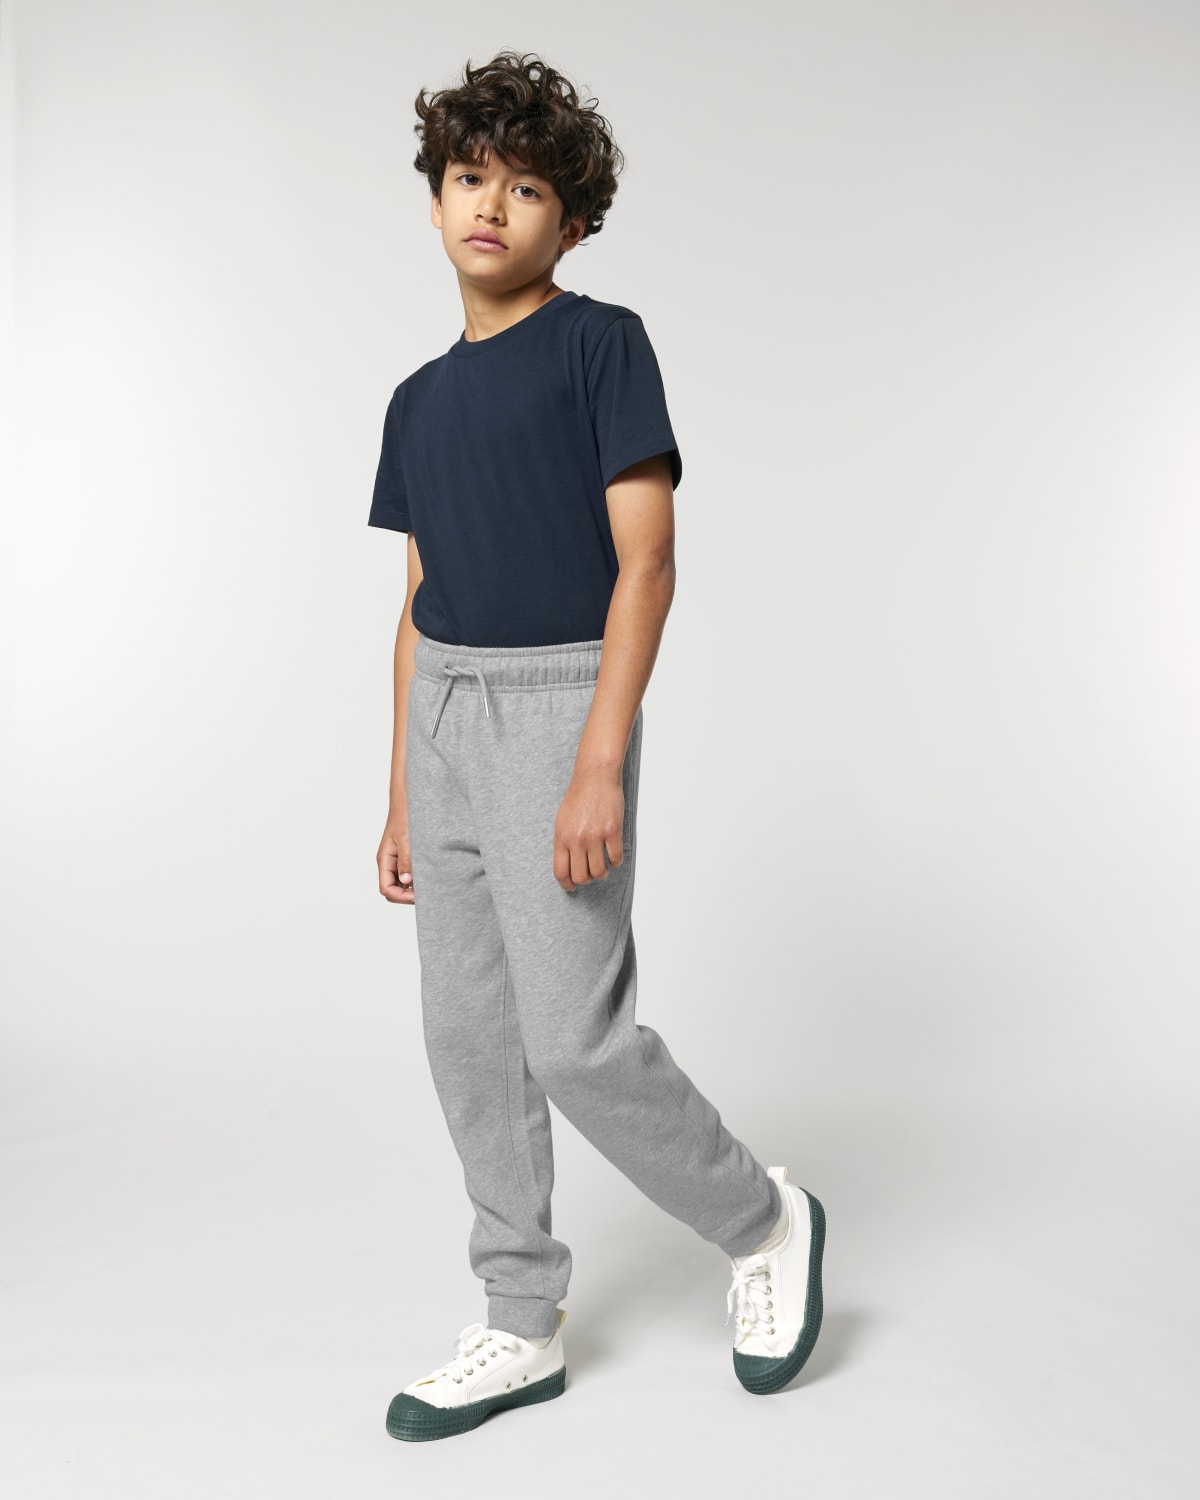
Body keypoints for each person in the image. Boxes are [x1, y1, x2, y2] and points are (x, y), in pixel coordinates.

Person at [369, 51, 825, 1442]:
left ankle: (763, 1221)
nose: (489, 206)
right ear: (434, 199)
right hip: (446, 714)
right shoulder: (414, 400)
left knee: (571, 1042)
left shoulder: (599, 345)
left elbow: (648, 562)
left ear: (571, 223)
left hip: (561, 702)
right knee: (468, 1039)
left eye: (525, 189)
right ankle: (519, 1320)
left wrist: (598, 757)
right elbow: (417, 599)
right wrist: (400, 792)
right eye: (469, 179)